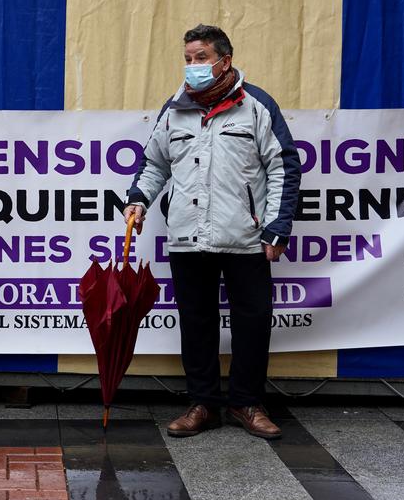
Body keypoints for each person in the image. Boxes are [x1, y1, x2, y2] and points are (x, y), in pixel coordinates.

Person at [124, 24, 300, 440]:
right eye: (188, 59)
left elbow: (283, 167)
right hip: (188, 237)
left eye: (201, 58)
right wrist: (138, 199)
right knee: (196, 322)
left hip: (246, 238)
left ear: (225, 61)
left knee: (253, 322)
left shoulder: (256, 105)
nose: (193, 67)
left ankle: (246, 403)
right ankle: (201, 404)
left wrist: (276, 228)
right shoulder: (175, 109)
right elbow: (155, 165)